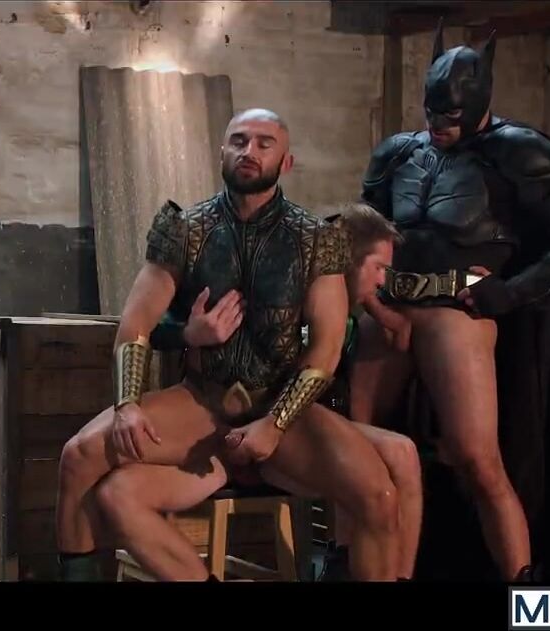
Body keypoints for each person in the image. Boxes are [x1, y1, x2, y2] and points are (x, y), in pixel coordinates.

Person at [55, 108, 405, 582]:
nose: (249, 151)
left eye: (264, 143)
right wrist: (127, 404)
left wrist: (275, 425)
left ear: (286, 162)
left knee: (379, 496)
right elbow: (136, 322)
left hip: (279, 406)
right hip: (203, 401)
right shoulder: (185, 228)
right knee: (78, 456)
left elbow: (324, 350)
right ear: (222, 152)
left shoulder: (318, 239)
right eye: (239, 141)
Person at [352, 25, 550, 582]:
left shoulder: (521, 151)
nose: (439, 125)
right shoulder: (399, 153)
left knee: (478, 461)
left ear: (479, 103)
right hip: (390, 312)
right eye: (432, 113)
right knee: (357, 453)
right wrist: (364, 292)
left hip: (459, 316)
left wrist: (512, 291)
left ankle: (525, 590)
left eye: (452, 115)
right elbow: (364, 234)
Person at [311, 202, 421, 581]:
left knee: (389, 453)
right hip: (284, 423)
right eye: (378, 268)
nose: (382, 280)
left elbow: (400, 332)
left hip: (322, 419)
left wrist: (375, 305)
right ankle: (346, 563)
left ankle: (380, 571)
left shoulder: (344, 307)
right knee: (396, 453)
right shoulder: (311, 299)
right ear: (349, 260)